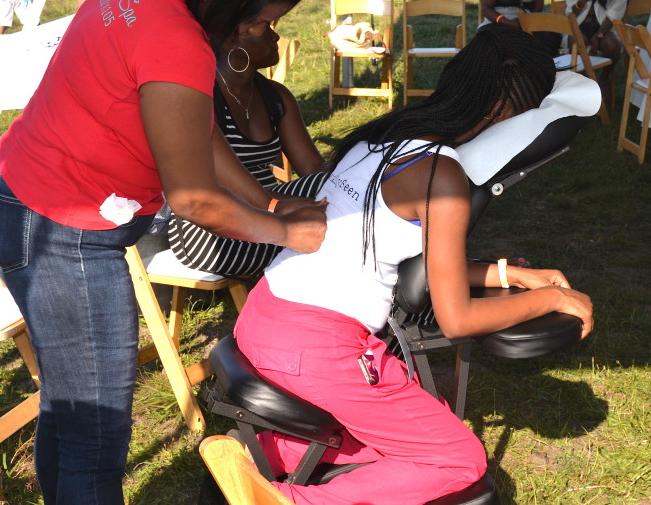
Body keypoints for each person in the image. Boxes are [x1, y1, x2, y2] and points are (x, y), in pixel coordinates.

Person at [0, 0, 327, 504]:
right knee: (95, 427)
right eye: (269, 15)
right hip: (59, 225)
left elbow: (196, 133)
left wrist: (268, 204)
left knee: (71, 403)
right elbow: (192, 199)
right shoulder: (177, 41)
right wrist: (288, 234)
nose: (263, 28)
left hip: (31, 199)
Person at [233, 25, 594, 505]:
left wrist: (512, 274)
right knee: (458, 459)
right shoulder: (442, 176)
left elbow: (394, 254)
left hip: (265, 318)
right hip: (314, 346)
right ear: (505, 110)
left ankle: (264, 459)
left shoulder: (382, 137)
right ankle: (283, 502)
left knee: (423, 420)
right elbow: (457, 318)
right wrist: (551, 298)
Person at [168, 23, 327, 277]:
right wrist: (305, 205)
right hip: (212, 231)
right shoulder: (201, 98)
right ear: (232, 42)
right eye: (265, 29)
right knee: (336, 212)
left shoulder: (276, 96)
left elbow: (315, 169)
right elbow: (232, 191)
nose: (276, 36)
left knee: (340, 192)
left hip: (270, 211)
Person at [566, 0, 631, 104]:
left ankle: (604, 78)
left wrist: (599, 35)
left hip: (604, 28)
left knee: (612, 45)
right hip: (579, 25)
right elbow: (570, 11)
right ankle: (580, 85)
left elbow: (614, 16)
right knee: (576, 43)